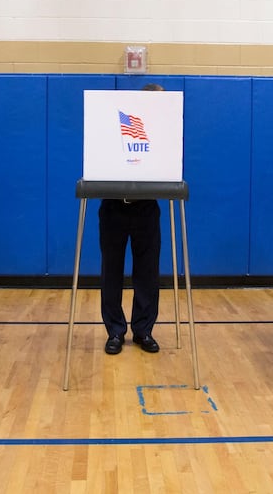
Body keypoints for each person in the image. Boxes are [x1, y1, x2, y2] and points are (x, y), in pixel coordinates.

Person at [99, 83, 164, 355]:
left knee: (147, 273)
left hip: (146, 208)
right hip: (114, 206)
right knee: (111, 272)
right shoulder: (116, 124)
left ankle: (143, 331)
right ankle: (115, 332)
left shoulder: (164, 133)